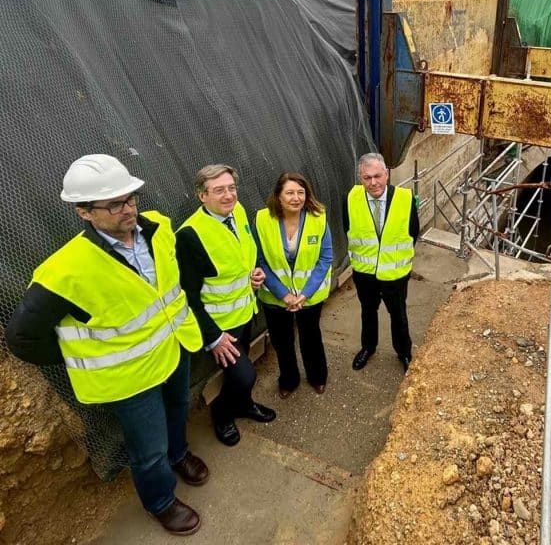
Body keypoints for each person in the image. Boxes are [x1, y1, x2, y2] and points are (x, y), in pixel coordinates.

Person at [5, 154, 208, 536]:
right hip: (129, 378)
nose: (127, 209)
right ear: (83, 212)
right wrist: (80, 353)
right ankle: (161, 502)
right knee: (147, 449)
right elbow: (22, 338)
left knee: (179, 409)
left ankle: (179, 454)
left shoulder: (160, 229)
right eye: (113, 204)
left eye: (130, 198)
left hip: (174, 349)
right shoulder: (66, 271)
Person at [176, 165, 277, 447]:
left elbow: (242, 253)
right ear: (202, 196)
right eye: (219, 190)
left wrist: (255, 271)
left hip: (245, 312)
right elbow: (188, 296)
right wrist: (214, 337)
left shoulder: (238, 211)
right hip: (221, 326)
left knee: (242, 376)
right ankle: (221, 414)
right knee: (245, 375)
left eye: (231, 188)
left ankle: (244, 406)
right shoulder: (190, 235)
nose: (228, 195)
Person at [254, 172, 332, 398]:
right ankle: (289, 379)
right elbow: (258, 260)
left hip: (309, 296)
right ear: (278, 196)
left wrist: (305, 294)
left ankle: (317, 376)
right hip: (275, 297)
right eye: (289, 192)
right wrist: (283, 294)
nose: (296, 198)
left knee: (311, 336)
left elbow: (325, 259)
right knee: (282, 341)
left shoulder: (318, 218)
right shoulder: (262, 220)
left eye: (300, 192)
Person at [345, 152, 419, 374]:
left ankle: (404, 352)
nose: (373, 183)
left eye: (377, 176)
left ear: (386, 174)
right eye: (367, 178)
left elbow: (413, 232)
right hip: (364, 272)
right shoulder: (350, 198)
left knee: (398, 315)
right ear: (360, 177)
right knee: (368, 311)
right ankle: (368, 347)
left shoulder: (405, 198)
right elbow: (347, 229)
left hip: (395, 274)